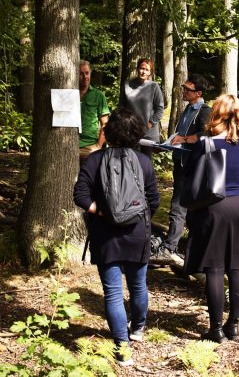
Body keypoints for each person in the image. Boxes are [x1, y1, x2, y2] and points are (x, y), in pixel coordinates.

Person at [74, 109, 160, 367]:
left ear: (109, 131)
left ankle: (122, 349)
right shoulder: (143, 161)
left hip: (105, 234)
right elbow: (153, 199)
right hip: (137, 233)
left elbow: (80, 195)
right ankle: (138, 329)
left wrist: (101, 212)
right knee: (138, 285)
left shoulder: (94, 160)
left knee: (112, 293)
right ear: (136, 132)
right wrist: (137, 217)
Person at [183, 94, 239, 343]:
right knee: (238, 268)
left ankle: (215, 328)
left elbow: (191, 176)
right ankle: (233, 325)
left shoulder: (205, 143)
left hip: (214, 207)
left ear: (216, 114)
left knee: (214, 268)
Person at [150, 74, 211, 266]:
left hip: (192, 167)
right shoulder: (187, 110)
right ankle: (180, 247)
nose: (184, 91)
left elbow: (206, 135)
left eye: (188, 89)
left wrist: (184, 140)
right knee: (180, 207)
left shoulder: (204, 111)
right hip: (180, 164)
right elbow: (180, 135)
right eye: (184, 88)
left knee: (179, 207)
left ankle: (170, 248)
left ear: (198, 93)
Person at [123, 58, 165, 157]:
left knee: (145, 163)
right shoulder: (127, 85)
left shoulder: (154, 87)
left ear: (150, 72)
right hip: (131, 132)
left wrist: (148, 125)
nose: (143, 72)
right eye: (142, 68)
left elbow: (160, 109)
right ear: (137, 69)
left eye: (147, 70)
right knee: (130, 161)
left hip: (148, 134)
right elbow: (122, 108)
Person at [79, 60, 110, 163]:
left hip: (90, 145)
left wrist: (98, 146)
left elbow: (105, 124)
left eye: (87, 73)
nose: (85, 77)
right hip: (68, 144)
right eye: (81, 74)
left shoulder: (98, 95)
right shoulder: (69, 94)